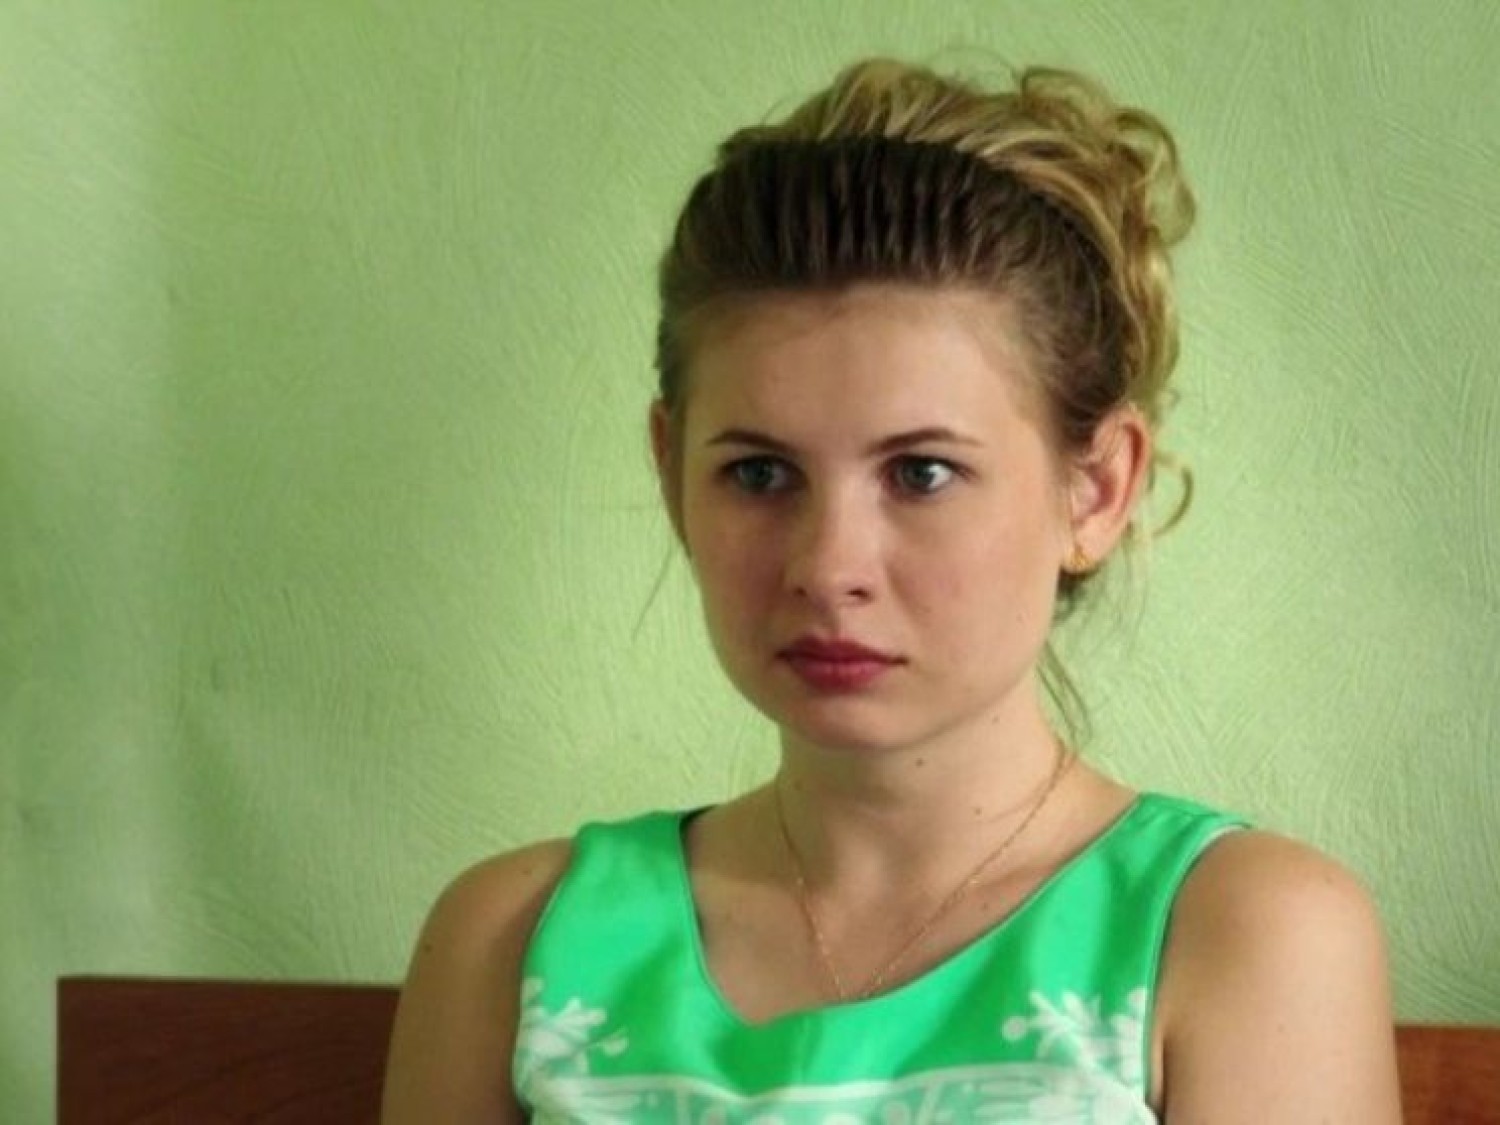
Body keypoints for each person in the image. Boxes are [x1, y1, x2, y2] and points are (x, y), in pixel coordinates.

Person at [382, 58, 1402, 1123]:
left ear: (1096, 490)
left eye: (922, 473)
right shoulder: (511, 942)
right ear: (672, 473)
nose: (828, 567)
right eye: (759, 473)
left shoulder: (1240, 934)